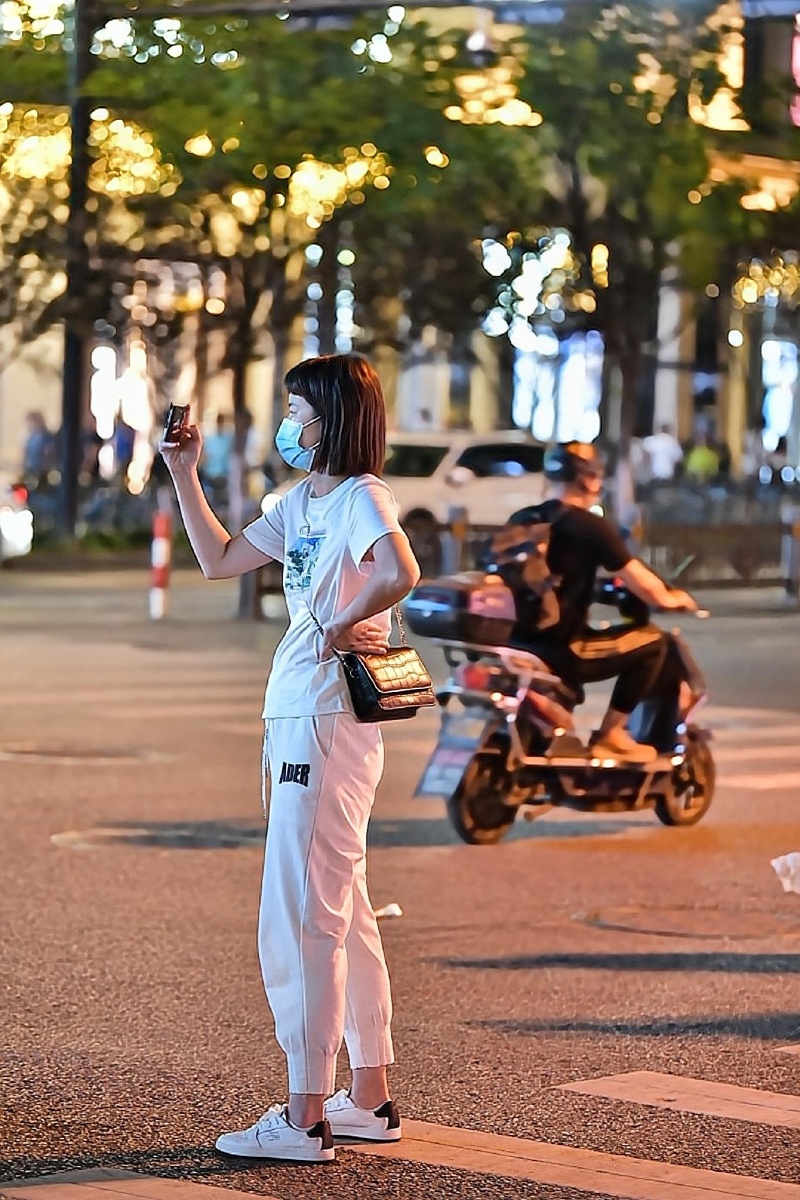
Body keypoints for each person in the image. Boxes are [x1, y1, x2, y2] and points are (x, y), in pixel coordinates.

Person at [160, 353, 420, 1164]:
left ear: (330, 419)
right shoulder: (302, 501)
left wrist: (343, 620)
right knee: (341, 906)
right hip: (303, 715)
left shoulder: (360, 495)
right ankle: (367, 1098)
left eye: (297, 411)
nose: (287, 423)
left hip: (324, 718)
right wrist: (183, 472)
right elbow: (218, 559)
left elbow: (399, 570)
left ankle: (305, 1113)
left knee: (302, 912)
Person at [509, 442, 697, 762]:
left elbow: (553, 578)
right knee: (655, 643)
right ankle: (611, 734)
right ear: (588, 479)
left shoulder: (523, 518)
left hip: (518, 645)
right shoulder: (588, 525)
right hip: (564, 649)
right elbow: (643, 583)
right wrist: (671, 598)